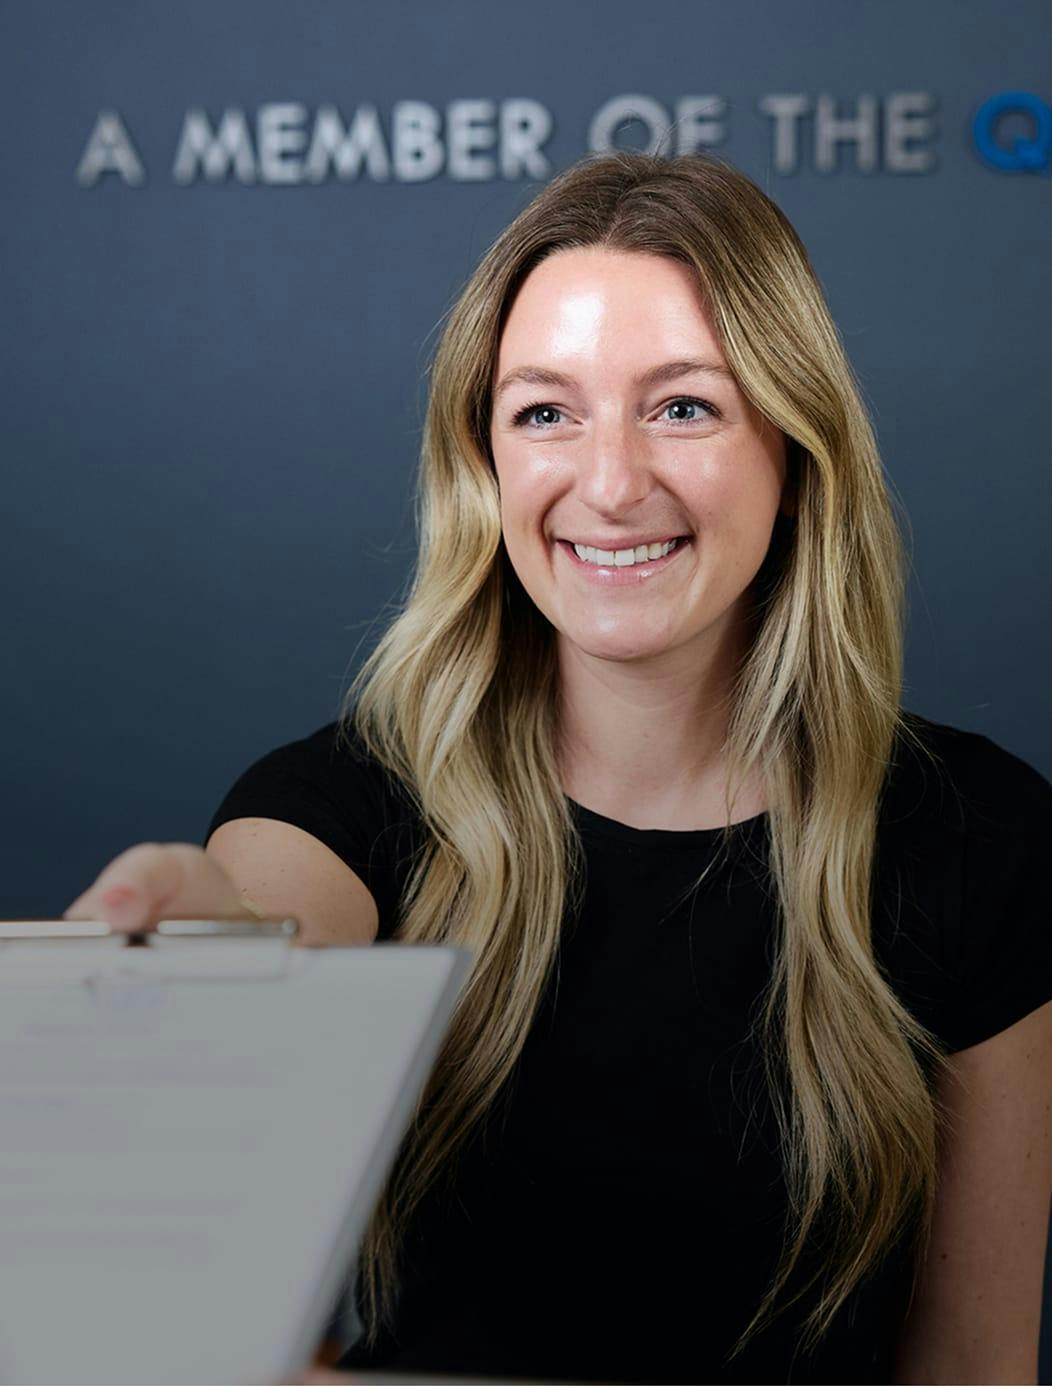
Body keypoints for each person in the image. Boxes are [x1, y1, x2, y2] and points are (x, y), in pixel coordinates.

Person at [64, 150, 1052, 1386]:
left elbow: (971, 1365)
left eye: (682, 405)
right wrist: (204, 944)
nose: (609, 481)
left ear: (794, 452)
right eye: (545, 410)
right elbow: (266, 919)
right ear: (483, 464)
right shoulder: (346, 808)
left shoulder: (975, 835)